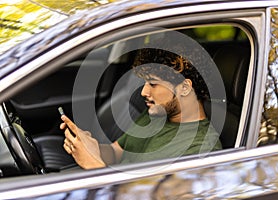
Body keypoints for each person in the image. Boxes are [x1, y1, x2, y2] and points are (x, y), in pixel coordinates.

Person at [60, 46, 222, 169]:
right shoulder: (156, 113)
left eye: (153, 83)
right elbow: (117, 152)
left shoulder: (200, 150)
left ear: (185, 88)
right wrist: (90, 147)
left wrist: (93, 165)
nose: (144, 92)